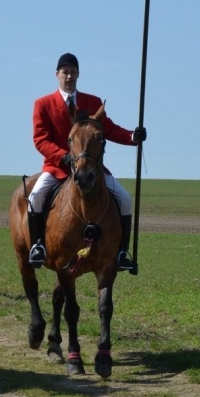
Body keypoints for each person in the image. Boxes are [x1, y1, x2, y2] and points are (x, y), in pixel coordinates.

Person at [28, 53, 146, 272]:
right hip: (57, 168)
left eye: (73, 72)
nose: (69, 76)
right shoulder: (43, 104)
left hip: (92, 170)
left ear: (78, 75)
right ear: (57, 75)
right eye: (65, 72)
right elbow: (40, 139)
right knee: (35, 196)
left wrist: (132, 137)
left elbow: (108, 129)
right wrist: (63, 156)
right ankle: (38, 246)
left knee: (125, 199)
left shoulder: (92, 102)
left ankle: (121, 252)